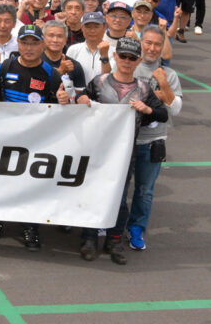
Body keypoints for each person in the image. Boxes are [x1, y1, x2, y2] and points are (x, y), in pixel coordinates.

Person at [72, 36, 169, 265]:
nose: (126, 61)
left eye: (131, 58)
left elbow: (163, 114)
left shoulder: (143, 88)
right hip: (95, 152)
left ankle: (114, 241)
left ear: (138, 61)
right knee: (93, 194)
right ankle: (89, 238)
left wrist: (147, 109)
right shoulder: (99, 82)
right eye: (123, 56)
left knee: (119, 197)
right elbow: (80, 98)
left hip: (124, 155)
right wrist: (80, 98)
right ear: (115, 57)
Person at [0, 24, 61, 251]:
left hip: (36, 142)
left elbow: (60, 112)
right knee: (0, 181)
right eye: (24, 43)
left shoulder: (51, 74)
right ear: (18, 44)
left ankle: (30, 228)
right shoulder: (5, 67)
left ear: (42, 45)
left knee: (31, 186)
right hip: (5, 138)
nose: (29, 48)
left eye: (34, 43)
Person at [127, 25, 182, 252]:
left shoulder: (169, 75)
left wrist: (164, 85)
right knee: (119, 187)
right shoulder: (128, 66)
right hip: (126, 140)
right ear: (140, 43)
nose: (152, 48)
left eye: (157, 44)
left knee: (144, 190)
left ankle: (136, 228)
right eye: (148, 43)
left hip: (152, 141)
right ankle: (113, 226)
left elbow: (175, 109)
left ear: (162, 48)